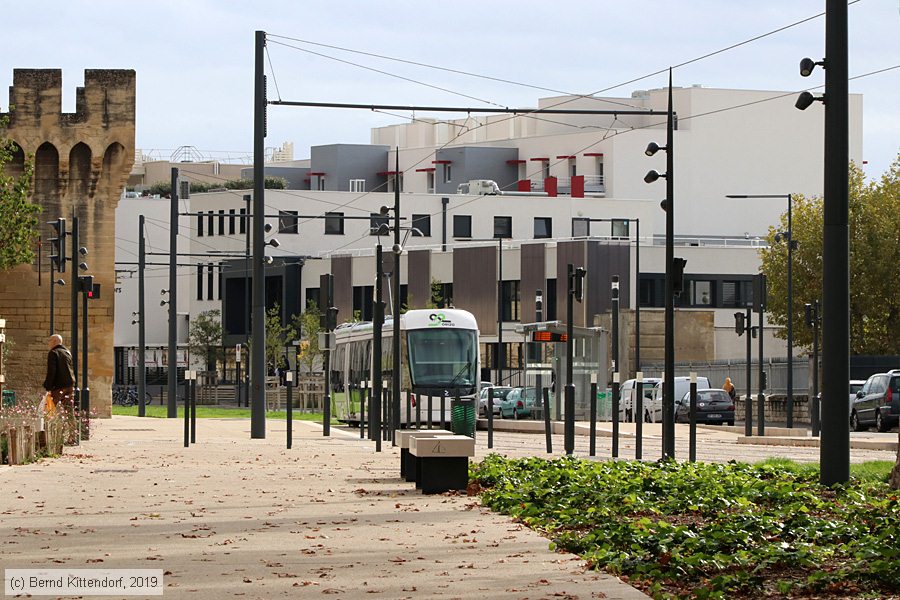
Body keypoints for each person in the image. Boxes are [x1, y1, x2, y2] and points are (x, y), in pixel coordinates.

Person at [44, 334, 76, 442]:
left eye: (50, 341)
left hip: (58, 386)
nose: (48, 343)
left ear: (54, 341)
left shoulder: (53, 353)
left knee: (49, 410)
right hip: (69, 385)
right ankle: (72, 436)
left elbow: (51, 372)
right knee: (69, 411)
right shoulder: (67, 352)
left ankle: (49, 436)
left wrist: (48, 386)